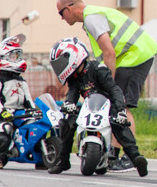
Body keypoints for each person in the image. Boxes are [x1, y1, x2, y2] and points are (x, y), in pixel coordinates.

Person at [56, 0, 157, 171]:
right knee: (115, 104)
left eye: (61, 13)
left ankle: (129, 157)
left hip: (133, 56)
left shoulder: (91, 18)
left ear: (69, 8)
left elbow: (109, 52)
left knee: (122, 105)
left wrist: (107, 83)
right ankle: (114, 153)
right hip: (135, 54)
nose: (62, 19)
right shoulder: (93, 16)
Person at [47, 37, 148, 177]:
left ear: (73, 57)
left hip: (107, 105)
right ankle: (63, 161)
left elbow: (114, 90)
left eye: (61, 63)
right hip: (88, 106)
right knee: (67, 122)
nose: (60, 67)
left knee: (119, 124)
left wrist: (120, 111)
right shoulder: (74, 78)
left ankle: (136, 159)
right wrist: (68, 104)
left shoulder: (98, 69)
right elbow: (72, 93)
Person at [0, 34, 38, 169]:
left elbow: (28, 99)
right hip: (3, 113)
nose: (17, 59)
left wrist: (35, 110)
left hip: (19, 113)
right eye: (14, 56)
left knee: (35, 126)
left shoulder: (21, 80)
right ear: (1, 58)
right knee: (6, 128)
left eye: (18, 56)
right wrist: (2, 112)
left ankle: (40, 157)